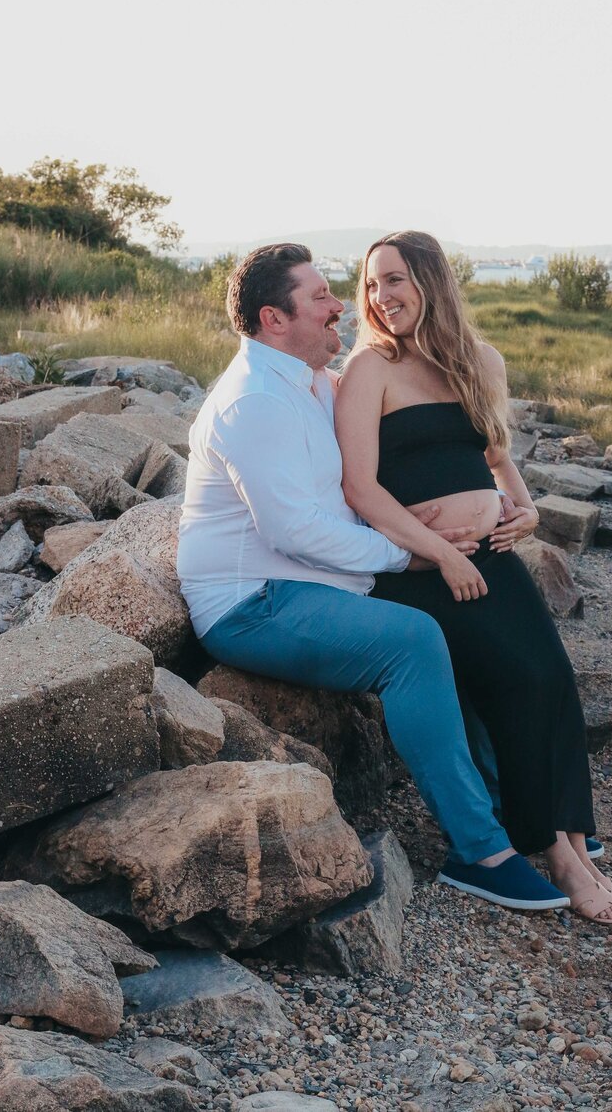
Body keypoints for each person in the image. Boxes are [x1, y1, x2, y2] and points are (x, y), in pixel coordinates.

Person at [177, 242, 572, 914]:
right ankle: (481, 851)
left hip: (310, 580)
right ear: (275, 318)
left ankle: (516, 810)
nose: (342, 306)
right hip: (254, 601)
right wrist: (411, 555)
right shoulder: (253, 403)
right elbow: (291, 531)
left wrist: (467, 507)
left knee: (453, 623)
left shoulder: (308, 382)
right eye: (322, 296)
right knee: (414, 640)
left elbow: (371, 473)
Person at [335, 231, 612, 923]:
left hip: (488, 556)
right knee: (518, 679)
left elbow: (498, 458)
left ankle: (570, 845)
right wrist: (440, 554)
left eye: (396, 280)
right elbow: (360, 489)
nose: (382, 297)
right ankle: (560, 850)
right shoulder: (370, 371)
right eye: (374, 284)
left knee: (551, 676)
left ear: (431, 283)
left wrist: (525, 512)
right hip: (418, 568)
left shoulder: (480, 362)